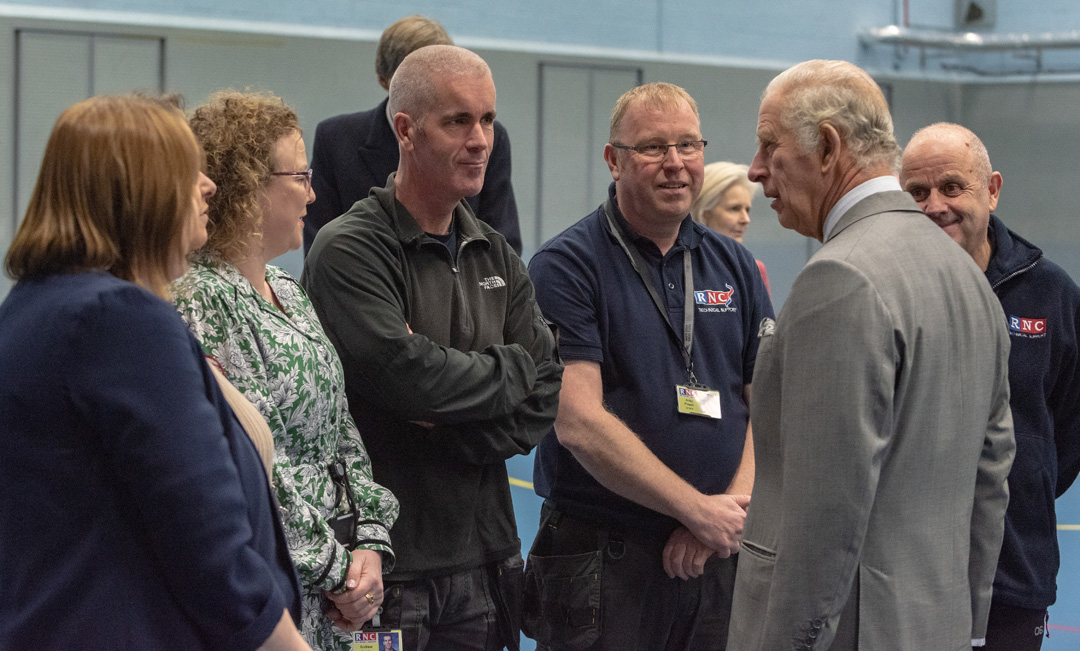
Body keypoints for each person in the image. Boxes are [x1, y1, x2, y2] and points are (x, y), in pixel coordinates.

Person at [0, 95, 308, 650]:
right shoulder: (119, 321)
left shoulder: (32, 311)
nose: (209, 186)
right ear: (141, 189)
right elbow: (205, 541)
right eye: (189, 171)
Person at [727, 60, 1015, 651]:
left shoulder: (839, 277)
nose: (756, 170)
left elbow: (823, 515)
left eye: (768, 146)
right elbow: (990, 481)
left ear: (828, 147)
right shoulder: (968, 279)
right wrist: (969, 631)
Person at [303, 45, 562, 651]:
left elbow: (545, 388)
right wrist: (507, 372)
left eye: (488, 120)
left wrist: (445, 424)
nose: (480, 140)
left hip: (486, 562)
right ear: (405, 130)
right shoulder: (351, 250)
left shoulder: (494, 252)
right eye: (458, 121)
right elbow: (407, 376)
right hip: (387, 569)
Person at [524, 82, 773, 651]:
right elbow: (579, 421)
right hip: (606, 558)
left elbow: (768, 406)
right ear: (614, 160)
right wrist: (694, 509)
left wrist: (725, 513)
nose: (675, 164)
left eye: (688, 145)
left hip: (717, 557)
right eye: (653, 147)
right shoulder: (567, 267)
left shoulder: (733, 263)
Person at [172, 90, 399, 651]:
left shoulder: (292, 295)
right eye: (300, 176)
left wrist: (370, 542)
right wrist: (337, 570)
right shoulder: (199, 301)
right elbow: (250, 461)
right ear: (251, 188)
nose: (313, 193)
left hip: (338, 596)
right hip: (272, 594)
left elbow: (342, 432)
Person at [901, 123, 1080, 651]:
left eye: (952, 187)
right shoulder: (884, 288)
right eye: (917, 193)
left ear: (992, 189)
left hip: (1015, 566)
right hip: (906, 571)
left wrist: (1024, 481)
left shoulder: (1050, 294)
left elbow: (1068, 425)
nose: (935, 206)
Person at [304, 14, 522, 254]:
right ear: (386, 81)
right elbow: (322, 250)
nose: (477, 139)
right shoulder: (336, 140)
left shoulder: (490, 138)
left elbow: (503, 247)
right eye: (419, 80)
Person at [690, 161, 770, 293]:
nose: (746, 220)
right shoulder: (677, 267)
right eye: (734, 209)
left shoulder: (753, 269)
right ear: (704, 212)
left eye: (747, 210)